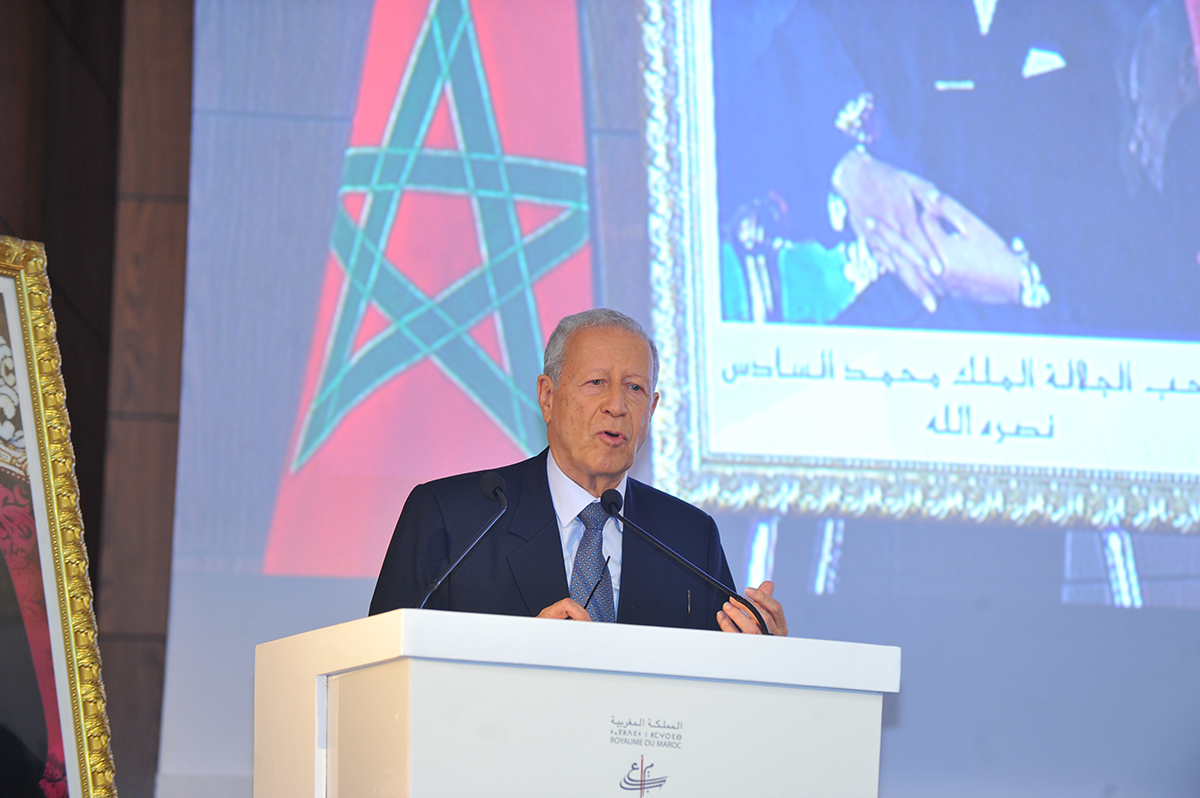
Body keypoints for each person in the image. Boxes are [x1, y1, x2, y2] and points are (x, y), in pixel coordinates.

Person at [370, 308, 787, 634]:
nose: (617, 406)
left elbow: (718, 687)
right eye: (596, 383)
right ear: (548, 397)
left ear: (652, 409)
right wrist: (515, 656)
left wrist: (762, 657)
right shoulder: (453, 520)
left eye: (635, 388)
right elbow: (386, 671)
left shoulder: (689, 538)